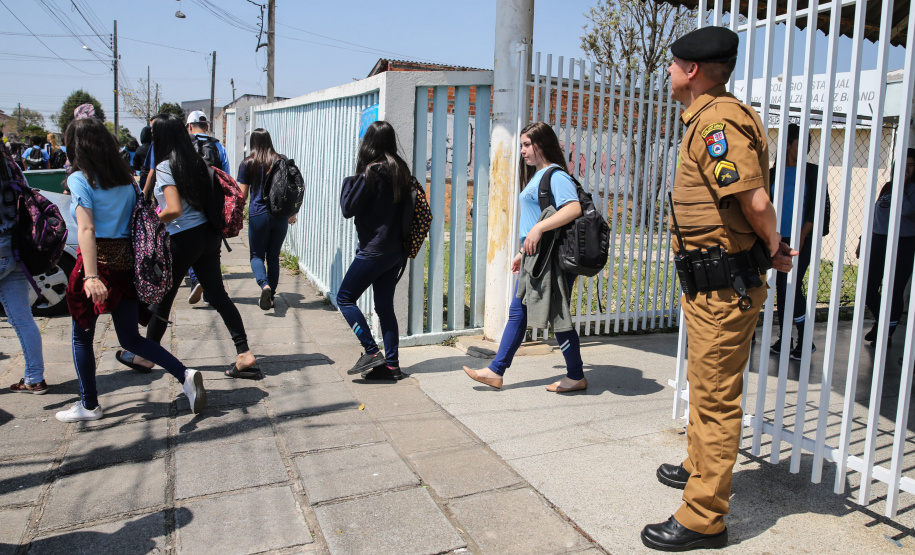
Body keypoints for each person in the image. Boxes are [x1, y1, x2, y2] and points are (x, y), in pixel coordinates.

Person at [641, 27, 796, 552]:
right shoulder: (708, 117)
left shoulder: (718, 124)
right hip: (710, 284)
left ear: (690, 71)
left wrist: (776, 245)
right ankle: (698, 465)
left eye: (671, 64)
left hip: (725, 286)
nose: (666, 72)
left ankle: (705, 517)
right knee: (705, 388)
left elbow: (754, 202)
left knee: (715, 398)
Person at [57, 117, 205, 422]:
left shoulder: (79, 179)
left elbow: (86, 229)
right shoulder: (126, 179)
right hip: (126, 265)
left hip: (95, 264)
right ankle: (185, 374)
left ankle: (88, 405)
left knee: (82, 336)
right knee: (130, 338)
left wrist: (91, 276)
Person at [115, 113, 260, 379]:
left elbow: (173, 209)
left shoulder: (165, 167)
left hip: (182, 237)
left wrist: (148, 224)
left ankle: (148, 357)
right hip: (208, 236)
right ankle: (244, 353)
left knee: (162, 299)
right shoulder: (197, 160)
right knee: (218, 296)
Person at [462, 121, 585, 392]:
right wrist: (521, 252)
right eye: (521, 145)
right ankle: (497, 371)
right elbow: (533, 219)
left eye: (527, 144)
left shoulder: (556, 175)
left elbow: (573, 208)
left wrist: (539, 229)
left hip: (548, 260)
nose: (523, 151)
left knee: (552, 313)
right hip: (535, 258)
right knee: (520, 312)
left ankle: (574, 375)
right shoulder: (539, 176)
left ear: (543, 144)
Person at [338, 120, 409, 381]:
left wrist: (351, 178)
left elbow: (348, 208)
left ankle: (371, 351)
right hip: (395, 252)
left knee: (344, 298)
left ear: (368, 144)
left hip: (373, 251)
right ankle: (392, 366)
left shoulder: (372, 172)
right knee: (384, 308)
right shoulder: (400, 169)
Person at [770, 123, 829, 359]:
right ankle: (786, 339)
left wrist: (802, 236)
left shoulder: (813, 172)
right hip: (776, 238)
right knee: (782, 289)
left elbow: (816, 209)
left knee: (790, 286)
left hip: (800, 237)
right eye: (799, 144)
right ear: (787, 145)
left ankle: (805, 339)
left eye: (808, 144)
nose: (805, 148)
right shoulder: (774, 173)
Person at [0, 154, 48, 394]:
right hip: (14, 247)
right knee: (22, 318)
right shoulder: (10, 163)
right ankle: (34, 378)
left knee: (20, 318)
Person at [237, 128, 296, 310]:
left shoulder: (248, 163)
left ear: (253, 142)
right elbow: (291, 189)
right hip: (280, 215)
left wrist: (236, 214)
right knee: (273, 256)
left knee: (256, 255)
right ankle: (271, 297)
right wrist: (292, 213)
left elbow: (243, 195)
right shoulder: (282, 160)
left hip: (258, 214)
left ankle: (265, 286)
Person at [862, 148, 915, 346]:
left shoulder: (911, 189)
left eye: (911, 165)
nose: (907, 168)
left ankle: (887, 333)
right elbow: (876, 214)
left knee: (894, 290)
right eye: (903, 164)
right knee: (869, 288)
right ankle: (882, 322)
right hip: (879, 240)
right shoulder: (888, 187)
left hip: (903, 242)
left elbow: (907, 211)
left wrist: (902, 185)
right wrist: (863, 239)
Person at [185, 110, 230, 304]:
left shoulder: (185, 146)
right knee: (213, 250)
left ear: (189, 126)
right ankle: (212, 293)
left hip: (191, 203)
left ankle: (196, 279)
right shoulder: (219, 147)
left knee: (191, 244)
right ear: (208, 127)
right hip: (214, 203)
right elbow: (226, 176)